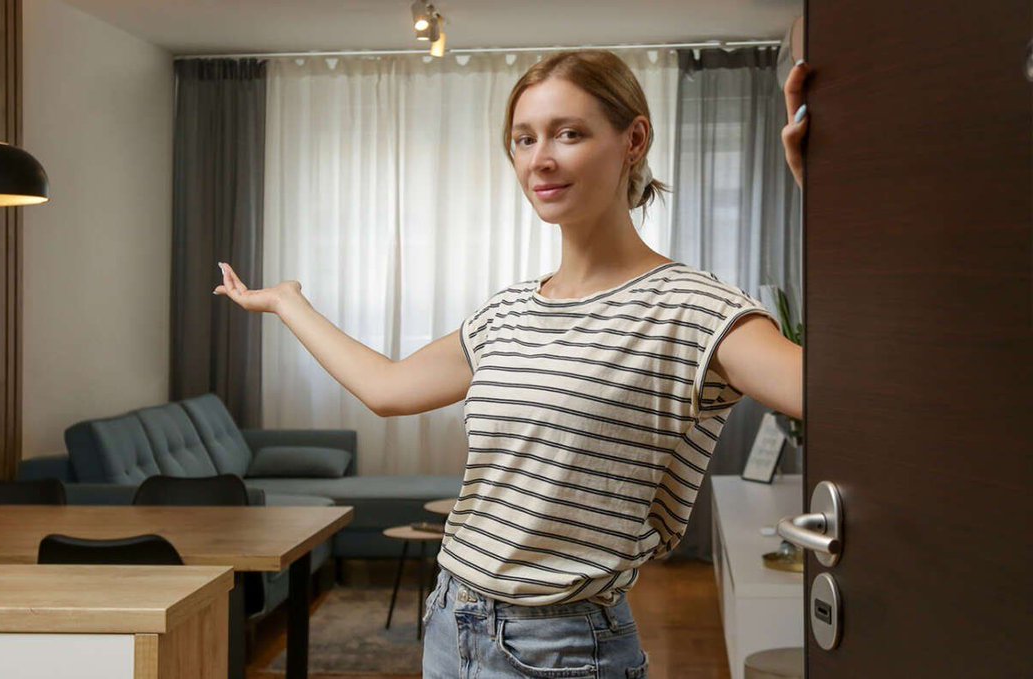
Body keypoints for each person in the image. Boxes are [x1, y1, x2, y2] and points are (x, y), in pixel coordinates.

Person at [215, 49, 810, 679]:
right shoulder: (506, 312)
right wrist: (288, 304)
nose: (539, 160)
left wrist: (826, 196)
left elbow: (838, 396)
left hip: (562, 646)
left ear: (634, 140)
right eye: (524, 139)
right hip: (451, 620)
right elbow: (387, 388)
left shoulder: (694, 309)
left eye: (568, 133)